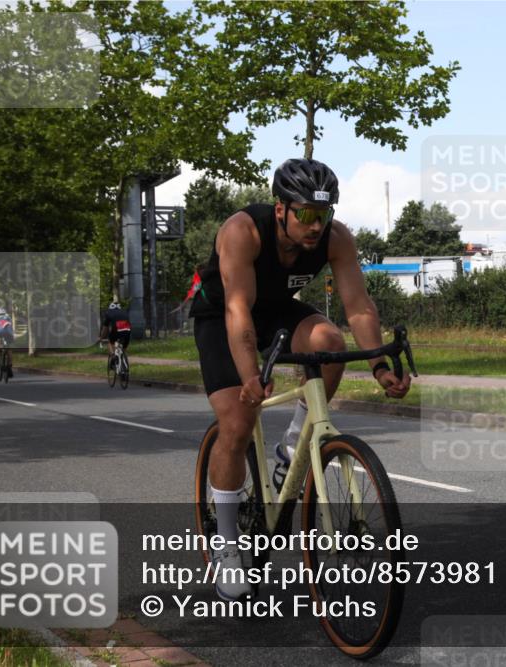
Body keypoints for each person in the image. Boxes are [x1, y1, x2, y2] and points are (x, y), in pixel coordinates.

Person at [190, 158, 411, 600]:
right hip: (223, 313)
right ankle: (227, 543)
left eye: (323, 215)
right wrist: (251, 374)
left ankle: (291, 449)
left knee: (329, 341)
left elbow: (359, 306)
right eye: (305, 214)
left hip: (274, 307)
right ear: (280, 209)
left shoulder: (336, 239)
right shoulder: (242, 231)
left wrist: (380, 368)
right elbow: (238, 312)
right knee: (235, 421)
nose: (315, 226)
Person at [0, 306, 15, 377]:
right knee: (9, 349)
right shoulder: (8, 317)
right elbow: (11, 326)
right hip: (8, 333)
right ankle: (9, 365)